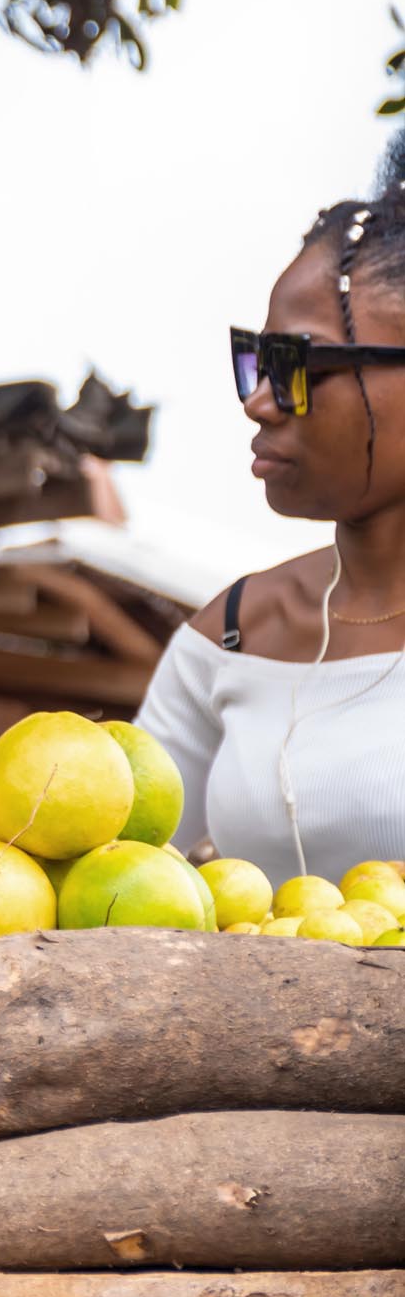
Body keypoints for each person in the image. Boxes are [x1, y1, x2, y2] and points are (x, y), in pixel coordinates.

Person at [135, 129, 405, 884]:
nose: (257, 402)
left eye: (295, 364)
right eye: (256, 360)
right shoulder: (234, 631)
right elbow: (87, 867)